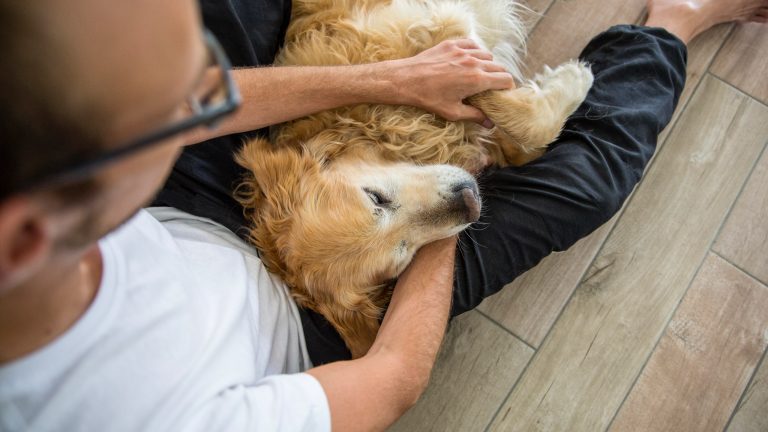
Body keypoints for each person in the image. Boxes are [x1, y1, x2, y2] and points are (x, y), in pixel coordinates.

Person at [0, 1, 765, 432]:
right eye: (155, 115)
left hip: (188, 207)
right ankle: (677, 19)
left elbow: (191, 108)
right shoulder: (157, 418)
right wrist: (453, 203)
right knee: (586, 185)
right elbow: (393, 378)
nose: (190, 106)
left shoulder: (54, 182)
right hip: (316, 320)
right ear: (28, 234)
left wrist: (393, 79)